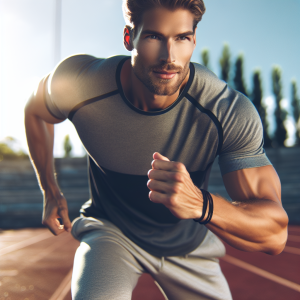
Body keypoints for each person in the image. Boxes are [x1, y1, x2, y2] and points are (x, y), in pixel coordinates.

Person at [24, 0, 289, 299]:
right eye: (153, 37)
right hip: (112, 233)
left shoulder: (226, 111)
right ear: (129, 38)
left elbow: (275, 235)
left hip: (188, 246)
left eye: (181, 38)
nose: (169, 57)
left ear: (194, 40)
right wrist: (50, 190)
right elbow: (35, 110)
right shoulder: (81, 84)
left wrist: (202, 205)